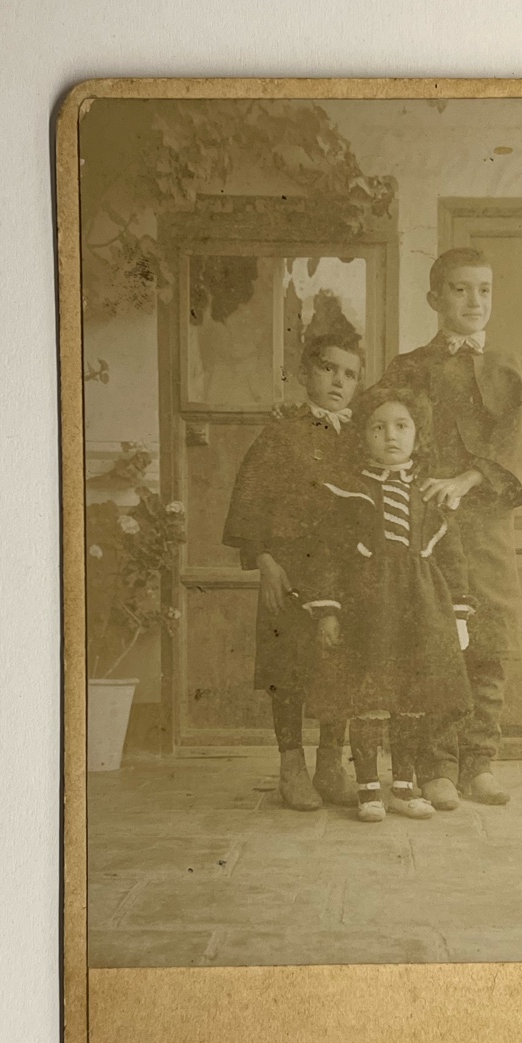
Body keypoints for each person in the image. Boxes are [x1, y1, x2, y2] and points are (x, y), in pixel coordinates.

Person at [372, 247, 522, 809]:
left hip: (486, 522)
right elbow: (383, 430)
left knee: (488, 638)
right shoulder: (408, 367)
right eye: (461, 289)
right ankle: (435, 767)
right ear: (435, 299)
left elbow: (517, 440)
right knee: (434, 638)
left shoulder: (508, 366)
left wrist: (467, 479)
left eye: (484, 290)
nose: (474, 301)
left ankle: (479, 763)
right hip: (425, 521)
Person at [301, 386, 475, 823]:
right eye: (378, 428)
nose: (390, 437)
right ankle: (367, 790)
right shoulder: (348, 492)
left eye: (402, 426)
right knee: (369, 696)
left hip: (420, 607)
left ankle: (402, 786)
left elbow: (451, 559)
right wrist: (328, 609)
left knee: (411, 696)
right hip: (369, 609)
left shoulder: (430, 495)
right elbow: (327, 554)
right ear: (362, 435)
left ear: (418, 434)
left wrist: (457, 615)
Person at [222, 334, 362, 811]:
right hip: (289, 570)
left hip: (343, 574)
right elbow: (250, 498)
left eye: (349, 374)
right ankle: (291, 767)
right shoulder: (282, 433)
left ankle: (330, 762)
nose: (338, 381)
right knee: (289, 668)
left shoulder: (364, 436)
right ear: (306, 374)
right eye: (328, 369)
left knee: (339, 664)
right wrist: (263, 560)